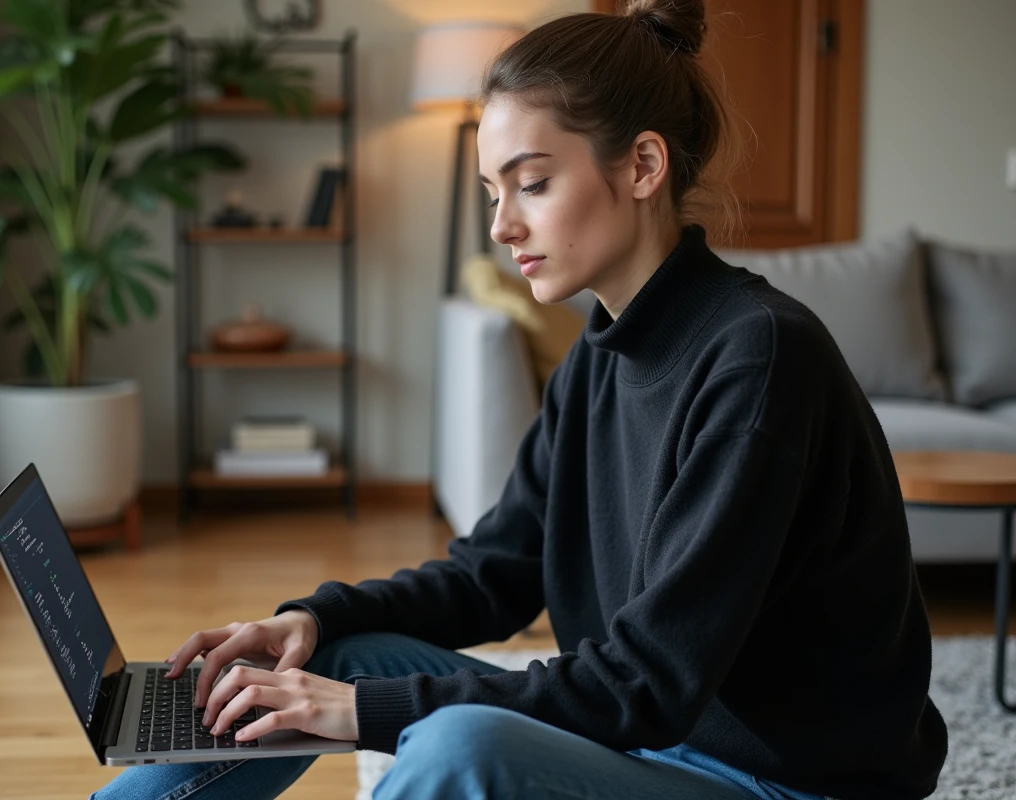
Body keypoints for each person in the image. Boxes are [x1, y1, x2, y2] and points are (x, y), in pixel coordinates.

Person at [93, 2, 948, 798]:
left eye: (531, 183)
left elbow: (649, 682)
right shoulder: (601, 354)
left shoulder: (759, 357)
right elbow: (491, 575)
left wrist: (362, 714)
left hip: (783, 780)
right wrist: (312, 618)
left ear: (643, 165)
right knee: (336, 654)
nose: (503, 226)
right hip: (651, 739)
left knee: (455, 747)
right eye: (493, 193)